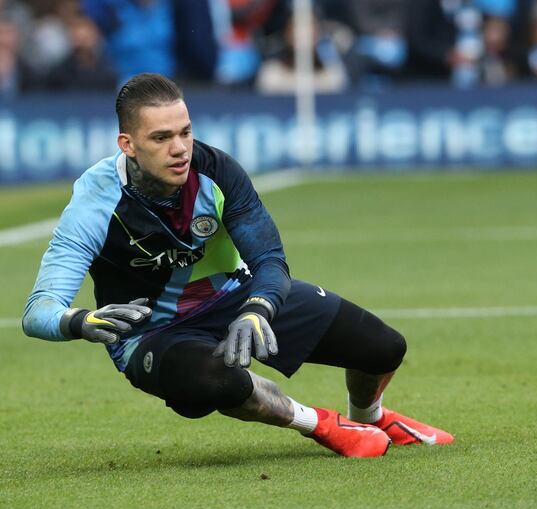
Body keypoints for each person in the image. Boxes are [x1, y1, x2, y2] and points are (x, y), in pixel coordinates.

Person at [22, 73, 453, 458]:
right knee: (218, 380)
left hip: (234, 297)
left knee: (384, 348)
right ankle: (319, 423)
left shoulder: (217, 172)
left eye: (186, 132)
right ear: (127, 145)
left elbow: (269, 260)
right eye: (161, 138)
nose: (179, 149)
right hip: (153, 333)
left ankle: (370, 416)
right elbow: (38, 311)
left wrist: (258, 308)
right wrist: (80, 321)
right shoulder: (96, 200)